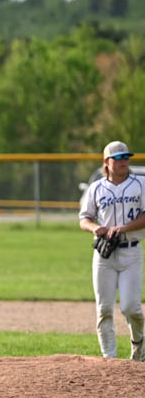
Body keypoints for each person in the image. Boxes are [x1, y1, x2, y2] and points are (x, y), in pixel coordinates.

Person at [79, 140, 145, 361]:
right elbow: (84, 218)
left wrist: (124, 228)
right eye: (118, 158)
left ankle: (139, 343)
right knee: (104, 310)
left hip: (131, 252)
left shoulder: (140, 184)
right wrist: (94, 228)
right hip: (104, 255)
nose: (124, 161)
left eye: (126, 157)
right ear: (106, 162)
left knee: (131, 308)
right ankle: (109, 360)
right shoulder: (96, 188)